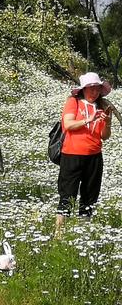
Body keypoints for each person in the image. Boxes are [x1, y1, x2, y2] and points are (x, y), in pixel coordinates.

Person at [56, 72, 114, 230]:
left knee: (89, 196)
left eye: (97, 89)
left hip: (94, 156)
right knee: (67, 195)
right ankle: (59, 235)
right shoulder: (73, 102)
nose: (94, 93)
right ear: (83, 89)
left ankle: (83, 234)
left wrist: (107, 123)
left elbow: (104, 136)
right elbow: (68, 124)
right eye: (91, 89)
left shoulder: (101, 106)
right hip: (72, 155)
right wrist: (90, 119)